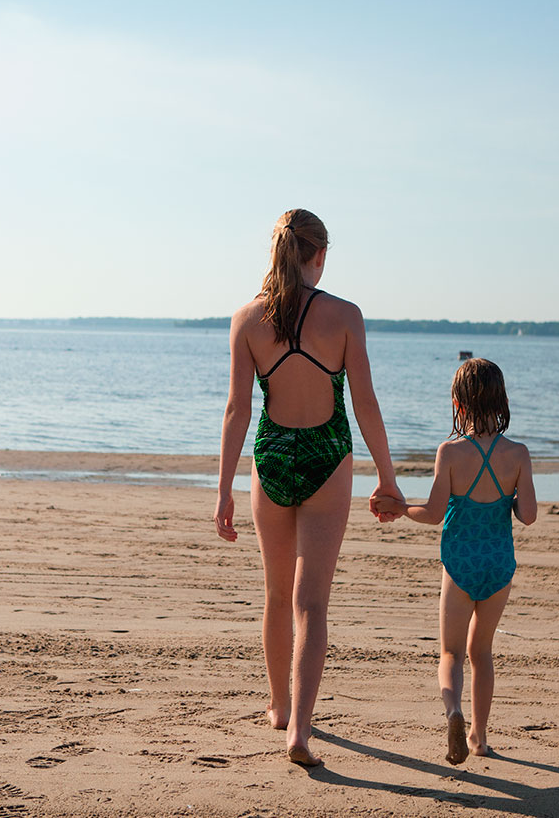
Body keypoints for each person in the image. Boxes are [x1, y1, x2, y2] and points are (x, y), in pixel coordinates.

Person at [215, 208, 402, 767]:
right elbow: (364, 402)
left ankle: (277, 706)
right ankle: (299, 727)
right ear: (318, 255)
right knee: (311, 602)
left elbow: (237, 410)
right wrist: (388, 476)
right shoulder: (345, 316)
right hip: (326, 457)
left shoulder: (247, 318)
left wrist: (223, 488)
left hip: (271, 459)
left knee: (276, 594)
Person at [374, 358, 537, 765]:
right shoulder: (518, 454)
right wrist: (509, 497)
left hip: (460, 563)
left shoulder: (450, 452)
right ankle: (479, 737)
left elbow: (431, 513)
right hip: (498, 564)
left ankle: (453, 712)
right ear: (501, 401)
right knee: (481, 651)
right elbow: (529, 515)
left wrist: (399, 508)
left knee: (450, 653)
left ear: (458, 405)